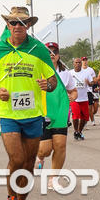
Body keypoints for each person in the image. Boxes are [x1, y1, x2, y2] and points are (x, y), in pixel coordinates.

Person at [0, 7, 60, 200]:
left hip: (33, 114)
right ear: (7, 25)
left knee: (29, 161)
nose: (17, 26)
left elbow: (53, 79)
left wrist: (48, 85)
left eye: (22, 23)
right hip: (8, 113)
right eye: (13, 22)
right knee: (16, 158)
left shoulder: (38, 49)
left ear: (29, 26)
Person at [36, 43, 77, 189]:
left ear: (58, 55)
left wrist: (72, 96)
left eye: (54, 52)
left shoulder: (65, 74)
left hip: (60, 115)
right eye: (49, 52)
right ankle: (39, 157)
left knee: (60, 146)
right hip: (43, 115)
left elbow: (73, 90)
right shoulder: (38, 71)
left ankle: (53, 179)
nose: (52, 54)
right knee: (45, 150)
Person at [81, 56, 98, 124]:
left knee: (90, 107)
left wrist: (91, 83)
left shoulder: (90, 70)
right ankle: (84, 120)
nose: (85, 62)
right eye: (83, 60)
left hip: (89, 90)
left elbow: (94, 80)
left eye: (86, 60)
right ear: (81, 61)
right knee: (83, 107)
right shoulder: (79, 69)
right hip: (81, 91)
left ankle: (92, 120)